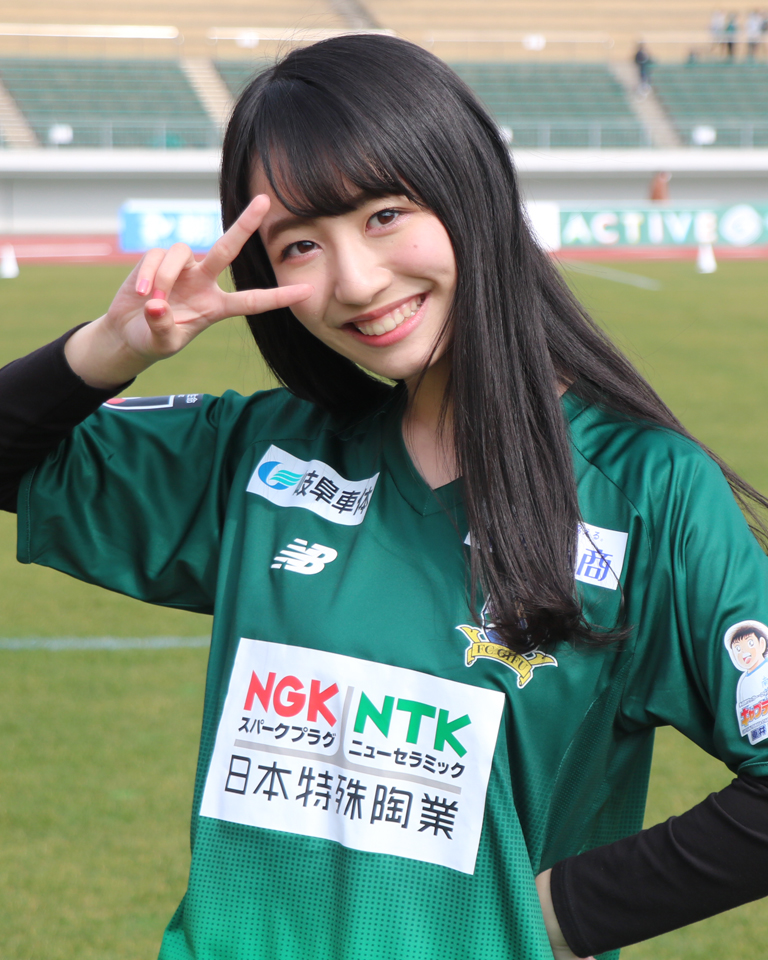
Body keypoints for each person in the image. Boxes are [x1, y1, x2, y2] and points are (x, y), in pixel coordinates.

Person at [1, 34, 768, 960]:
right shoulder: (259, 455)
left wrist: (552, 918)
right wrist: (110, 348)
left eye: (385, 215)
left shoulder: (645, 492)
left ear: (469, 188)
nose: (356, 282)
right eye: (300, 245)